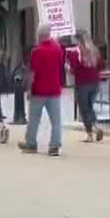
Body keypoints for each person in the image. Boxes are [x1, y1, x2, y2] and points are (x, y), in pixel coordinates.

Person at [19, 23, 65, 156]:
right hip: (54, 90)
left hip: (39, 91)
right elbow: (60, 67)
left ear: (40, 35)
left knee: (34, 119)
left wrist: (28, 89)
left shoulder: (37, 51)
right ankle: (54, 146)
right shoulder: (58, 49)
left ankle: (31, 144)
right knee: (56, 121)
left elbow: (33, 73)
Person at [68, 29, 106, 143]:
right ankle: (96, 126)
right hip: (94, 82)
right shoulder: (95, 50)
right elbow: (101, 65)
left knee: (85, 109)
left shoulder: (76, 52)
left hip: (82, 83)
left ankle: (91, 133)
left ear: (78, 39)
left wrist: (68, 69)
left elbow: (74, 68)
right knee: (90, 106)